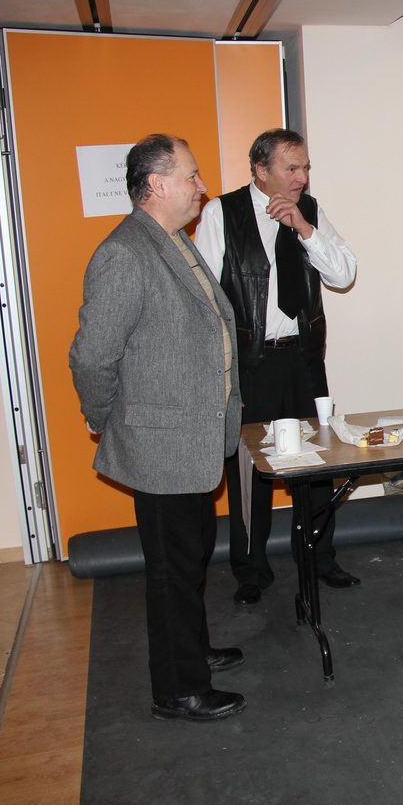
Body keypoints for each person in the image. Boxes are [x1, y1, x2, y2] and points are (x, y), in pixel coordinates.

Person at [69, 134, 245, 721]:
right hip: (161, 444)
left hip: (193, 439)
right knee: (171, 570)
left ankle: (192, 650)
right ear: (157, 184)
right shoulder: (125, 253)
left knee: (190, 558)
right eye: (192, 176)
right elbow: (92, 356)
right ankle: (177, 687)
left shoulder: (172, 240)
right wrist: (106, 417)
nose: (202, 187)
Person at [195, 128, 360, 606]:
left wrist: (305, 230)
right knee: (250, 470)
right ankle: (251, 570)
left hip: (304, 358)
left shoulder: (311, 211)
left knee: (318, 462)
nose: (301, 177)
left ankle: (319, 558)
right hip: (251, 362)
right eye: (291, 168)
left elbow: (344, 274)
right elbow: (204, 296)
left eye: (305, 167)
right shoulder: (221, 213)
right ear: (260, 170)